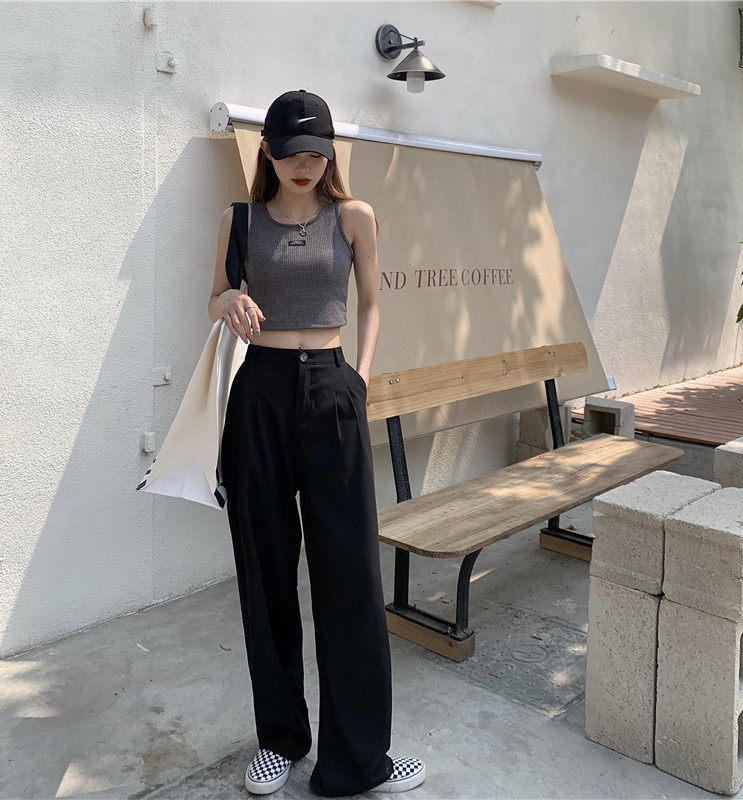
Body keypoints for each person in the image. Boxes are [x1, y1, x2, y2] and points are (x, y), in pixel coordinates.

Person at [208, 89, 427, 797]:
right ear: (267, 153)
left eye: (315, 153)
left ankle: (357, 759)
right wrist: (228, 300)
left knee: (350, 573)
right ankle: (280, 738)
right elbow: (215, 295)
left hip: (332, 391)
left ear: (329, 155)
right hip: (260, 394)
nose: (303, 165)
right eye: (289, 152)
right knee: (265, 569)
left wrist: (357, 377)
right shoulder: (240, 219)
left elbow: (371, 302)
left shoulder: (354, 217)